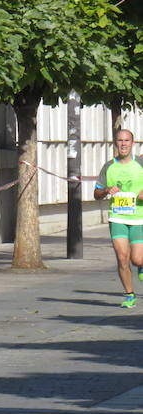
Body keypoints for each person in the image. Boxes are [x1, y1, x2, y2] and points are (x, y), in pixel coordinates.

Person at [93, 129, 143, 308]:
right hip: (118, 217)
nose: (123, 144)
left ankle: (141, 265)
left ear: (132, 143)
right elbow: (96, 194)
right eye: (120, 140)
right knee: (122, 257)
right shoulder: (109, 167)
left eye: (127, 141)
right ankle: (129, 295)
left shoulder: (141, 164)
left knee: (137, 259)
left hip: (139, 218)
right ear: (116, 143)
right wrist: (106, 190)